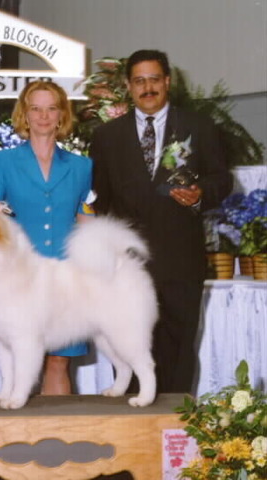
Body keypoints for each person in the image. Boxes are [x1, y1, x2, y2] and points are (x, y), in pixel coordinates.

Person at [90, 49, 233, 393]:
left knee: (179, 347)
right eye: (139, 81)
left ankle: (175, 430)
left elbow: (222, 179)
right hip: (127, 265)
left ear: (168, 81)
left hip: (181, 259)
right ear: (128, 86)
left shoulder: (198, 126)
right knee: (128, 346)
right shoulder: (106, 137)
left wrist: (200, 193)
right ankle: (131, 433)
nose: (148, 87)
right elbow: (100, 200)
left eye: (155, 79)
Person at [0, 80, 93, 395]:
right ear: (24, 115)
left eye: (51, 108)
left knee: (59, 360)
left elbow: (87, 216)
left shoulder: (82, 167)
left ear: (61, 115)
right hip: (19, 277)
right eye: (35, 108)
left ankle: (59, 439)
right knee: (23, 357)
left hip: (66, 275)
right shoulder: (2, 162)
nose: (43, 116)